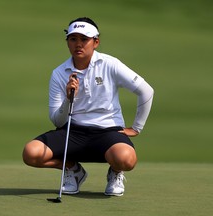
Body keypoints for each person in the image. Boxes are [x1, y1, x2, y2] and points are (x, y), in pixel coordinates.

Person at [22, 17, 154, 196]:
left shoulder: (110, 64)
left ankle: (115, 171)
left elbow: (146, 91)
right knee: (31, 153)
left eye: (84, 39)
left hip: (107, 132)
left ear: (96, 42)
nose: (78, 44)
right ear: (67, 42)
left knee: (126, 159)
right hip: (72, 132)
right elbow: (57, 120)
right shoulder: (59, 73)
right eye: (73, 39)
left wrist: (137, 128)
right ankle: (72, 169)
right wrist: (69, 99)